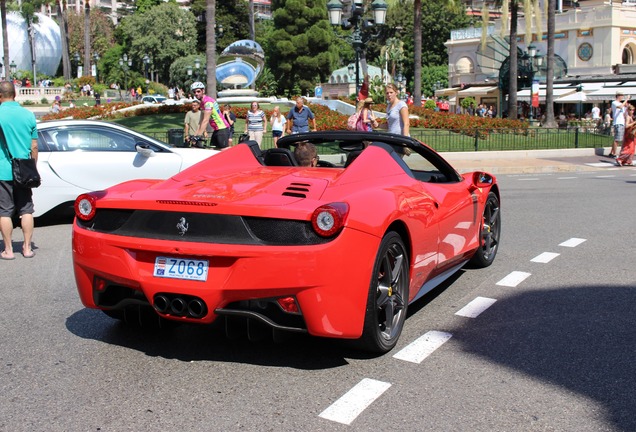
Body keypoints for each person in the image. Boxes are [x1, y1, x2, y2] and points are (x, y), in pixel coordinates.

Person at [0, 81, 38, 260]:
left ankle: (8, 250)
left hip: (2, 171)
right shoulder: (28, 115)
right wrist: (33, 167)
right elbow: (34, 146)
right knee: (26, 210)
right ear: (14, 94)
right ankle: (27, 248)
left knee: (4, 211)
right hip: (24, 170)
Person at [190, 81, 230, 149]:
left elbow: (205, 120)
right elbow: (201, 122)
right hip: (217, 129)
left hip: (222, 128)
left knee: (224, 150)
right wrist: (195, 135)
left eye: (198, 91)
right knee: (213, 150)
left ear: (203, 90)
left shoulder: (208, 102)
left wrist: (199, 136)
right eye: (194, 92)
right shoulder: (202, 103)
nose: (196, 94)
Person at [610, 91, 630, 158]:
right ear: (618, 96)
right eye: (621, 95)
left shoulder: (621, 103)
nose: (622, 97)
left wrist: (627, 107)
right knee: (617, 139)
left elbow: (624, 113)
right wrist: (626, 100)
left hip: (621, 122)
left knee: (617, 139)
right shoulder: (614, 103)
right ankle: (614, 153)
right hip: (618, 122)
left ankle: (612, 152)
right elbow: (620, 107)